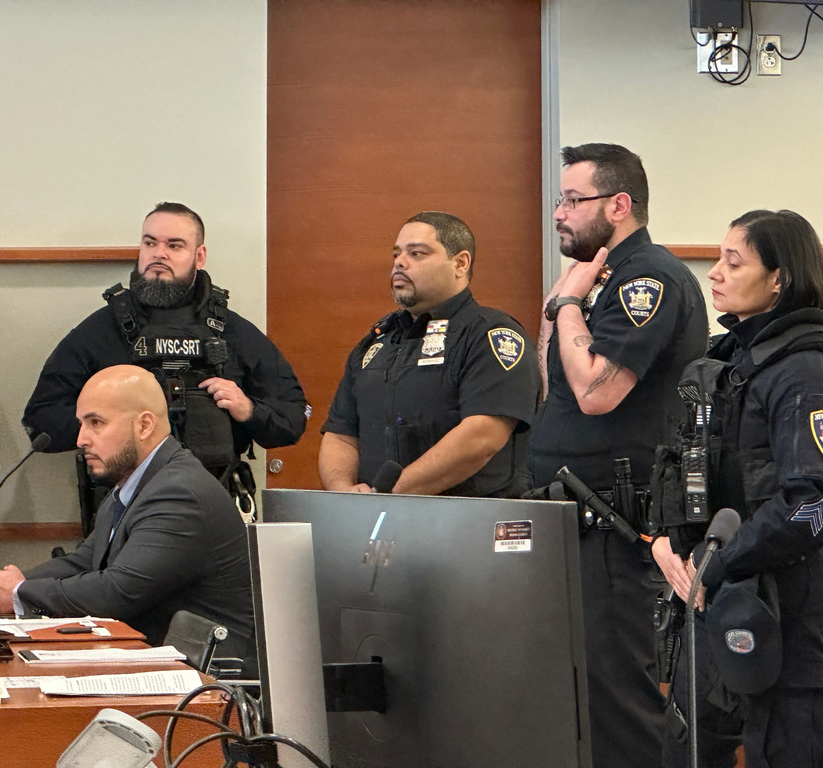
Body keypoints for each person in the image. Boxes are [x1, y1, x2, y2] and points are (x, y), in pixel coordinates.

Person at [527, 144, 708, 768]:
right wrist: (562, 305)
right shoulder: (596, 279)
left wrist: (567, 305)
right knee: (573, 701)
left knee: (619, 704)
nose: (559, 213)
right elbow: (555, 393)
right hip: (568, 521)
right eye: (560, 199)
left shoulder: (647, 278)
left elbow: (597, 391)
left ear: (620, 205)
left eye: (574, 200)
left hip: (615, 527)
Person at [656, 210, 823, 768]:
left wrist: (721, 565)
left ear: (779, 278)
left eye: (734, 261)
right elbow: (689, 468)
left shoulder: (802, 371)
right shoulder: (724, 363)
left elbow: (812, 503)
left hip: (791, 616)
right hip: (717, 598)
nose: (715, 273)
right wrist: (668, 540)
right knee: (687, 746)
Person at [22, 202, 307, 519]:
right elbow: (40, 422)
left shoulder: (234, 332)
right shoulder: (100, 332)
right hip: (124, 519)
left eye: (174, 245)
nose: (159, 253)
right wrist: (106, 424)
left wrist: (248, 410)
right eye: (150, 243)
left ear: (199, 256)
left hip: (215, 513)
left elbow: (293, 419)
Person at [0, 365, 256, 668]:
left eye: (96, 422)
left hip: (215, 682)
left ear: (144, 426)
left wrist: (19, 592)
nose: (81, 439)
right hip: (163, 662)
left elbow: (117, 591)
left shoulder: (179, 493)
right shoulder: (138, 483)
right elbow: (85, 561)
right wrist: (9, 583)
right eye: (81, 423)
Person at [319, 211, 540, 497]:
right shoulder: (378, 343)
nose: (399, 262)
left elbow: (482, 436)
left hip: (471, 523)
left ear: (460, 263)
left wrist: (392, 492)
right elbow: (341, 435)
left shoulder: (489, 335)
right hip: (378, 519)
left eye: (418, 253)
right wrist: (343, 492)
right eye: (397, 253)